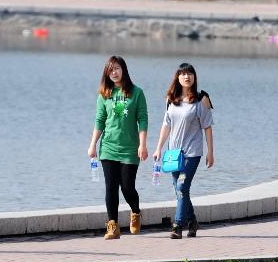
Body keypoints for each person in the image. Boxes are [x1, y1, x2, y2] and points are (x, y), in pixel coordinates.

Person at [88, 56, 148, 240]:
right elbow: (99, 121)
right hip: (108, 148)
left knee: (127, 187)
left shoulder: (136, 93)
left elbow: (143, 120)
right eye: (110, 69)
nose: (114, 72)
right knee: (111, 188)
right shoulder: (104, 94)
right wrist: (93, 145)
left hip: (130, 148)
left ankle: (135, 212)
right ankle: (112, 226)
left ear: (124, 70)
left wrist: (143, 144)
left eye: (117, 68)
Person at [152, 62, 214, 239]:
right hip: (173, 154)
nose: (187, 77)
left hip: (192, 153)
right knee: (181, 190)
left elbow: (208, 127)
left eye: (190, 74)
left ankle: (177, 225)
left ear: (194, 77)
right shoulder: (171, 99)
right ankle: (192, 221)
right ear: (177, 77)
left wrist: (210, 152)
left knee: (181, 185)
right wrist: (158, 148)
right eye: (183, 74)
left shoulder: (202, 99)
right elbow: (166, 125)